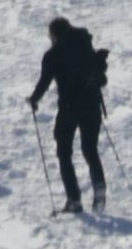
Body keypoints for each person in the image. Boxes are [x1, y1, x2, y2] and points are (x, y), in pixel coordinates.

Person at [28, 15, 108, 211]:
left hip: (69, 108)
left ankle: (74, 199)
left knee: (64, 153)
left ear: (54, 35)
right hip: (92, 104)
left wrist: (34, 99)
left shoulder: (53, 55)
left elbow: (44, 82)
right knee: (90, 149)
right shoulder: (85, 44)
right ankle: (99, 187)